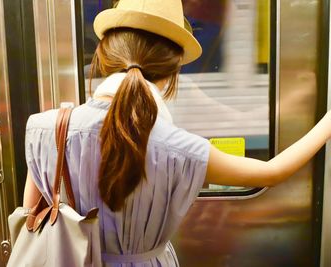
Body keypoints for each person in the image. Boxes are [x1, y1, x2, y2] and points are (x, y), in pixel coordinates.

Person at [23, 0, 331, 265]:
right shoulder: (178, 148)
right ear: (173, 69)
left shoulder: (46, 130)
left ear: (103, 56)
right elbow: (270, 172)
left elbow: (31, 215)